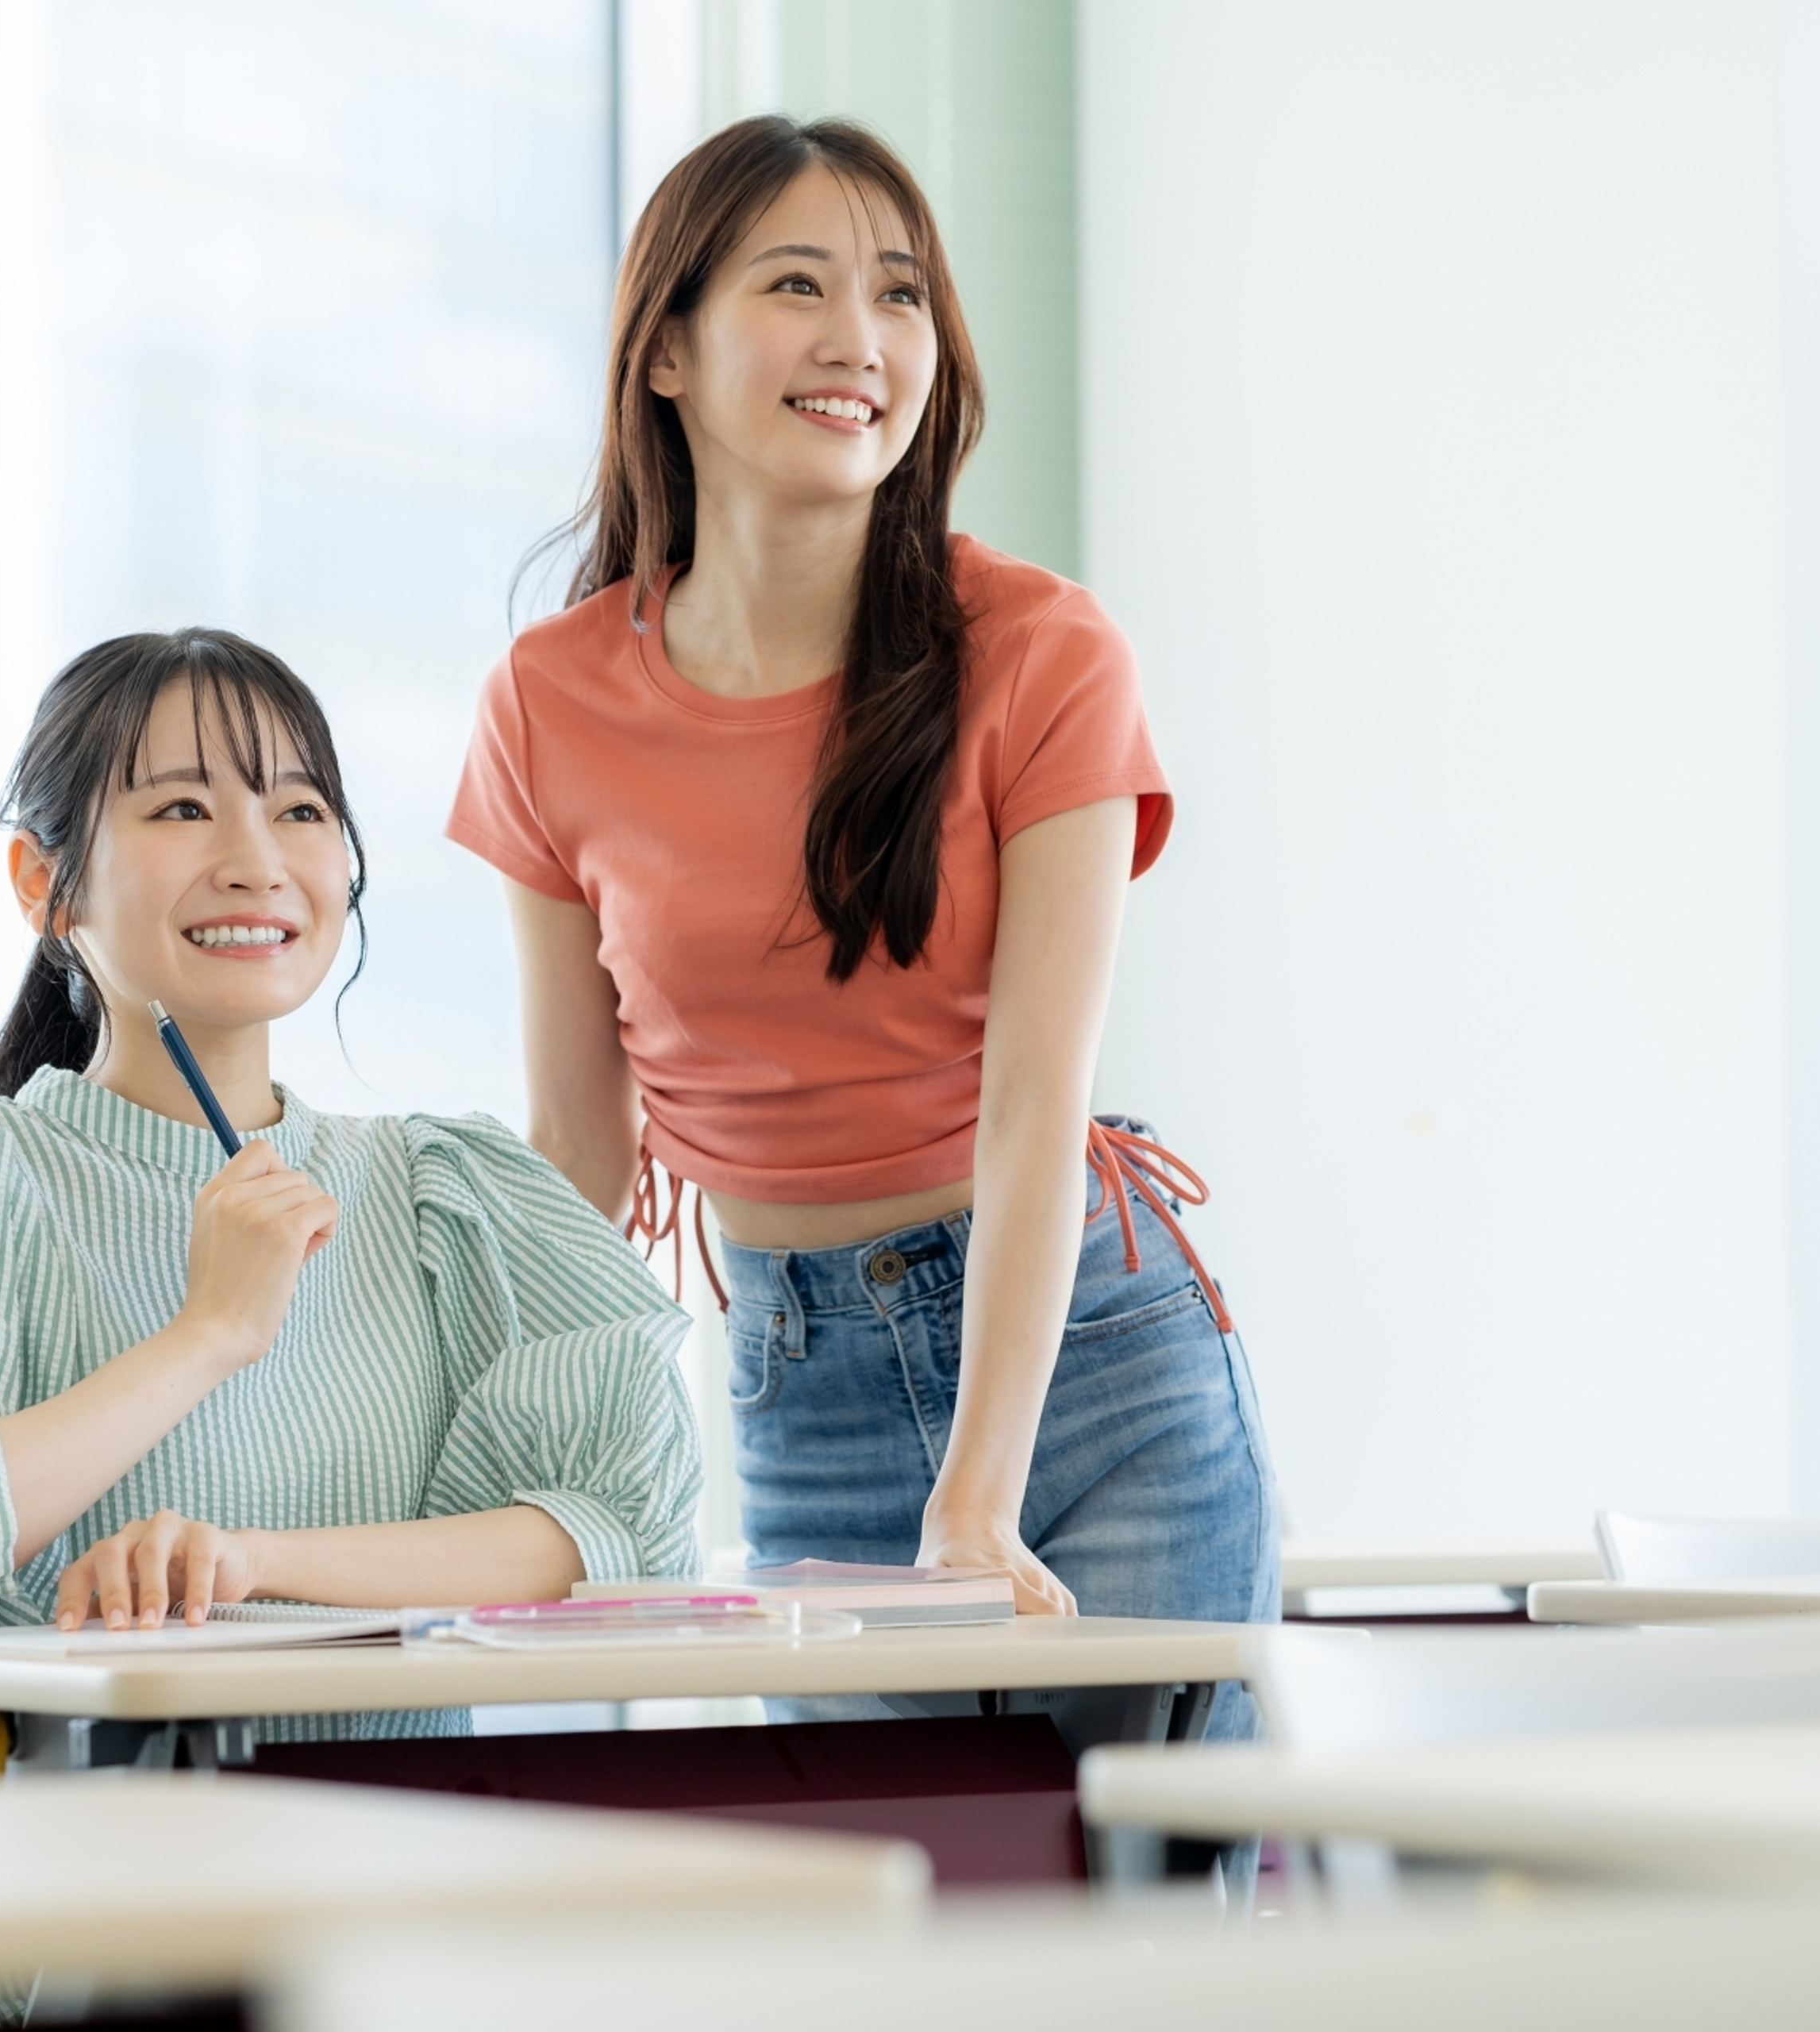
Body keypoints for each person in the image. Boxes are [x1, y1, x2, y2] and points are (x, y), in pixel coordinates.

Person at [449, 118, 1279, 1738]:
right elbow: (580, 1149)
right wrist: (491, 1460)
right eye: (797, 286)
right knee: (879, 1877)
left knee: (1155, 1893)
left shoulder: (1043, 652)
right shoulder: (549, 702)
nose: (861, 339)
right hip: (795, 1372)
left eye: (900, 294)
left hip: (1089, 1371)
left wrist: (976, 1499)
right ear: (668, 349)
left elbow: (1035, 1102)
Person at [0, 627, 700, 1791]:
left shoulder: (439, 1193)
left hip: (380, 1872)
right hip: (30, 1888)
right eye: (182, 809)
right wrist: (208, 1334)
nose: (258, 862)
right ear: (44, 884)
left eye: (300, 811)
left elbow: (628, 1538)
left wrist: (254, 1564)